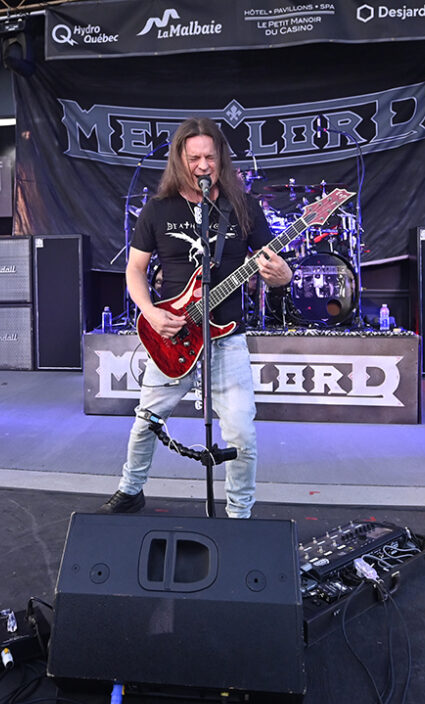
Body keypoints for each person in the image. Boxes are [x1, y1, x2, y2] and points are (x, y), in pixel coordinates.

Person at [99, 117, 292, 518]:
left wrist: (283, 276)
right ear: (179, 160)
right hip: (172, 335)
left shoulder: (244, 207)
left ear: (222, 158)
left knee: (242, 433)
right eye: (194, 158)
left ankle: (239, 513)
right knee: (146, 420)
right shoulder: (158, 209)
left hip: (227, 338)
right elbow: (135, 269)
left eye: (210, 156)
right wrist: (150, 312)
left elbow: (274, 264)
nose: (203, 165)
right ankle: (130, 490)